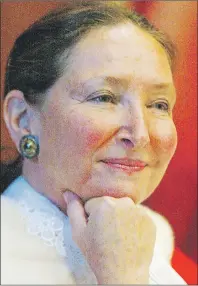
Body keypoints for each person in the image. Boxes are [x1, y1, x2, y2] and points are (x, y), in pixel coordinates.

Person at [1, 1, 187, 284]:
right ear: (23, 118)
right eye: (104, 97)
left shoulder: (154, 240)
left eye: (159, 105)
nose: (140, 134)